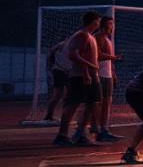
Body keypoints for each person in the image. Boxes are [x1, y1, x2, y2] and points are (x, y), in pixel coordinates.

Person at [54, 11, 102, 147]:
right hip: (80, 76)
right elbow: (74, 55)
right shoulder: (81, 35)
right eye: (98, 21)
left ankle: (80, 133)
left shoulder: (90, 36)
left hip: (91, 75)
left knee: (93, 103)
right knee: (73, 104)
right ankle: (62, 135)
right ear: (93, 21)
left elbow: (85, 55)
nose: (99, 24)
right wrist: (87, 69)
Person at [93, 16, 121, 141]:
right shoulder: (98, 37)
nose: (112, 27)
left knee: (107, 103)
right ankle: (96, 129)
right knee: (97, 104)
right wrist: (113, 57)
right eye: (110, 24)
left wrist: (113, 73)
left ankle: (104, 129)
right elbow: (96, 55)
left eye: (112, 24)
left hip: (107, 75)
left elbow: (110, 60)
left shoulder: (108, 39)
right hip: (99, 74)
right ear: (103, 25)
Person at [42, 36, 72, 123]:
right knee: (58, 95)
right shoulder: (62, 45)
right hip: (60, 71)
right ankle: (50, 115)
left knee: (64, 95)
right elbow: (51, 53)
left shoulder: (65, 46)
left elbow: (51, 53)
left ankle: (62, 116)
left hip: (64, 71)